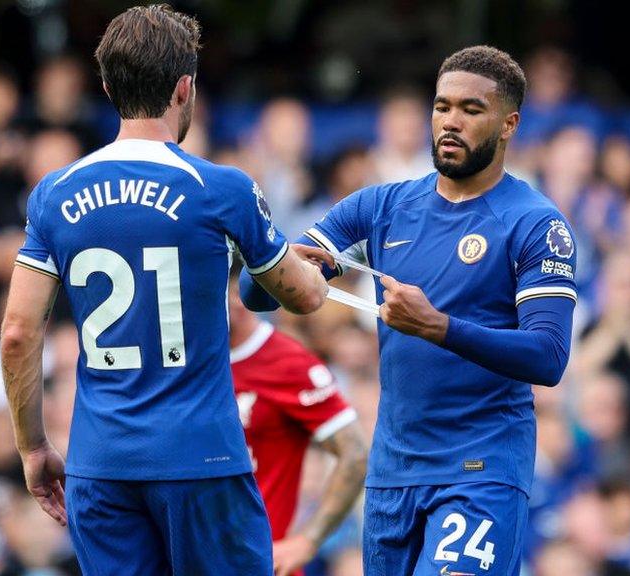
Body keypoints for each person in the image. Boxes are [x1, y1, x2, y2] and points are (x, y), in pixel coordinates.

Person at [0, 5, 328, 576]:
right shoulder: (221, 187)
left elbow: (18, 334)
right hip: (203, 461)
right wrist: (312, 267)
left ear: (106, 86)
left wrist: (32, 448)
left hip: (100, 468)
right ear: (184, 88)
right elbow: (304, 298)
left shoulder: (54, 193)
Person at [242, 45, 578, 575]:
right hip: (393, 475)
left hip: (481, 471)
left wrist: (438, 327)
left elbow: (548, 356)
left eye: (471, 110)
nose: (450, 121)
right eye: (442, 107)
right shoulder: (379, 208)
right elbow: (256, 295)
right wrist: (272, 259)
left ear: (509, 123)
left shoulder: (536, 223)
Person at [228, 271, 368, 576]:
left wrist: (306, 541)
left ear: (238, 297)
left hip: (262, 562)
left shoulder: (287, 363)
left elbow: (354, 453)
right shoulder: (183, 363)